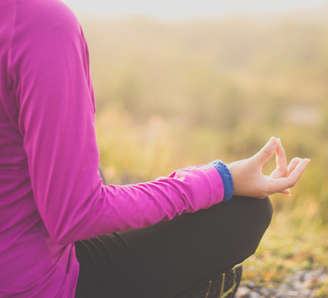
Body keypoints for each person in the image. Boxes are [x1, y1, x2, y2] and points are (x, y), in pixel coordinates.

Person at [0, 0, 310, 297]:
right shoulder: (39, 24)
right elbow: (76, 214)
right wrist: (222, 180)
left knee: (95, 175)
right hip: (28, 284)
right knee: (244, 213)